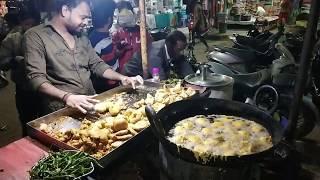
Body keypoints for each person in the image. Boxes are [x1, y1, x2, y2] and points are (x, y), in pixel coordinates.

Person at [23, 0, 143, 115]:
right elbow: (36, 79)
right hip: (61, 110)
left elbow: (97, 64)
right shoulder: (36, 36)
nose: (86, 22)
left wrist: (122, 78)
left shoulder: (81, 36)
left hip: (90, 102)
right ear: (65, 10)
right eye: (83, 17)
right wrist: (67, 97)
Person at [0, 8, 41, 135]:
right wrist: (13, 60)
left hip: (43, 88)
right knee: (26, 120)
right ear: (21, 23)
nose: (30, 28)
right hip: (24, 88)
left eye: (33, 24)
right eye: (27, 24)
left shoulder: (44, 37)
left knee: (44, 119)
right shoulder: (13, 39)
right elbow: (2, 62)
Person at [123, 30, 194, 80]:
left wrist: (192, 79)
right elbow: (160, 80)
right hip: (131, 75)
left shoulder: (170, 47)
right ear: (170, 45)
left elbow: (183, 62)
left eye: (183, 49)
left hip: (148, 74)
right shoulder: (155, 55)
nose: (181, 53)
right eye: (179, 50)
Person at [88, 0, 120, 93]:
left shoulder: (104, 36)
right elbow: (95, 66)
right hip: (105, 87)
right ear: (109, 19)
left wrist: (117, 54)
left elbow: (107, 57)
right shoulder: (97, 41)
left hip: (113, 82)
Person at [113, 1, 150, 72]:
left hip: (142, 70)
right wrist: (121, 49)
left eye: (127, 13)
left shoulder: (142, 32)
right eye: (122, 15)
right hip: (125, 72)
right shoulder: (117, 34)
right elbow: (115, 55)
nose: (125, 17)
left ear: (133, 13)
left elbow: (151, 48)